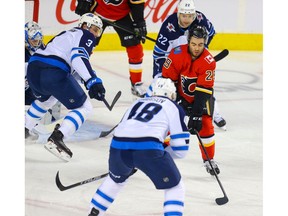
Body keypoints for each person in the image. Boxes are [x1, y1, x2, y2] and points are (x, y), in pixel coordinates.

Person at [88, 77, 190, 216]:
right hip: (148, 150)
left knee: (115, 181)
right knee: (175, 187)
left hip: (117, 149)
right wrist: (155, 154)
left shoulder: (136, 103)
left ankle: (93, 213)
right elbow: (181, 150)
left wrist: (133, 161)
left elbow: (124, 131)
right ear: (172, 95)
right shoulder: (173, 106)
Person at [25, 13, 106, 162]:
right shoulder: (86, 35)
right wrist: (93, 81)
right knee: (84, 107)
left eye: (98, 31)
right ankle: (58, 137)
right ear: (85, 25)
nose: (95, 34)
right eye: (94, 29)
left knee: (47, 100)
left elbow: (72, 68)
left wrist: (88, 79)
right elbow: (78, 57)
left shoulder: (66, 34)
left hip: (34, 69)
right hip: (53, 71)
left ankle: (24, 129)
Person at [150, 0, 226, 130]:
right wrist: (164, 73)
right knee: (163, 87)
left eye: (190, 16)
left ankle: (215, 114)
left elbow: (211, 32)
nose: (187, 19)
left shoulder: (201, 19)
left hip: (193, 58)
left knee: (202, 87)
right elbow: (159, 53)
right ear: (178, 14)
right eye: (184, 16)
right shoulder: (169, 25)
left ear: (194, 14)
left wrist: (201, 52)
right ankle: (158, 114)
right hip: (174, 61)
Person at [162, 25, 220, 175]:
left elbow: (204, 90)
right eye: (193, 44)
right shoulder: (177, 53)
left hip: (200, 98)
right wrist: (180, 101)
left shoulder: (208, 61)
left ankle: (209, 160)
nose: (196, 48)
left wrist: (196, 113)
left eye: (201, 44)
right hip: (178, 95)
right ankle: (154, 152)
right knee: (170, 124)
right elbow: (168, 81)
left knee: (206, 124)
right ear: (188, 41)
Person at [75, 0, 147, 98]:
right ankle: (69, 76)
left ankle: (136, 83)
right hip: (97, 14)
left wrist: (139, 22)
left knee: (135, 48)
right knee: (84, 46)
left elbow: (137, 2)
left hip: (123, 15)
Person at [25, 21, 61, 124]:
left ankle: (51, 115)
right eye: (34, 41)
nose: (37, 44)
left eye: (38, 41)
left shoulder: (43, 49)